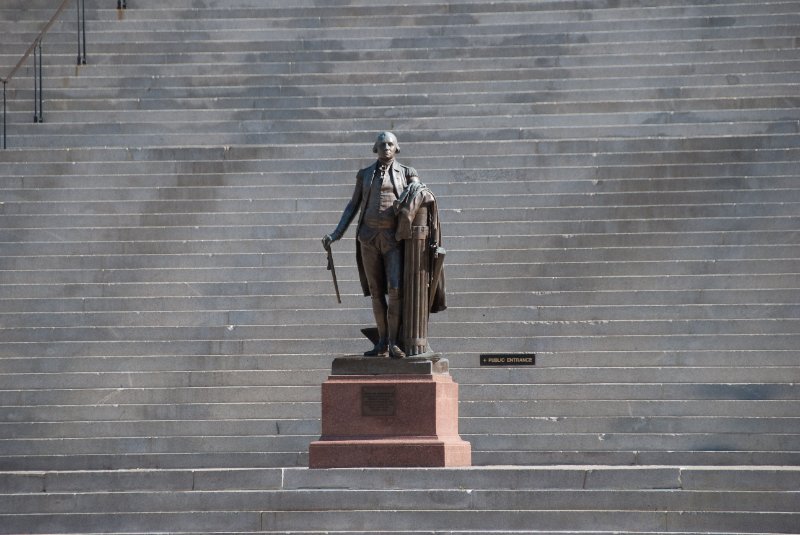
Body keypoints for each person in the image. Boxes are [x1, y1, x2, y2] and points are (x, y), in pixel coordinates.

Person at [322, 132, 419, 359]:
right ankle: (382, 342)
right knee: (376, 292)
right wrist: (336, 234)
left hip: (394, 239)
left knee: (395, 289)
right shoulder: (365, 174)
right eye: (382, 144)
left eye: (390, 144)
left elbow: (419, 194)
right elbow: (353, 205)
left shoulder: (407, 173)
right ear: (375, 148)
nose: (386, 147)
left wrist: (415, 188)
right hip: (368, 238)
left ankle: (394, 342)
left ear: (397, 148)